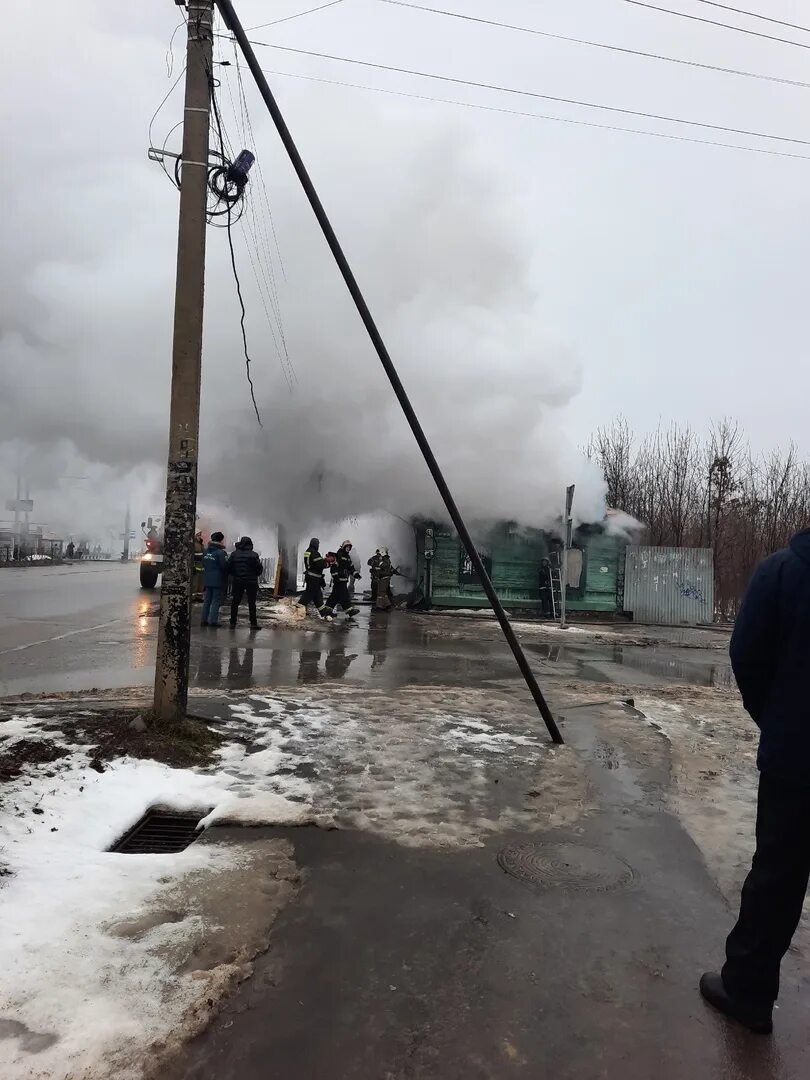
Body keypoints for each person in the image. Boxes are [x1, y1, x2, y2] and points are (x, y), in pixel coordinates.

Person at [700, 527, 810, 1036]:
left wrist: (779, 719)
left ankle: (747, 992)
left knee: (777, 878)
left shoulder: (783, 571)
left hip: (798, 759)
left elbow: (747, 656)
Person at [227, 536, 263, 628]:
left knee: (235, 601)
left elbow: (229, 567)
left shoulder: (234, 554)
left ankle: (233, 622)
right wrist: (255, 575)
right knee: (251, 602)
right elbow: (259, 568)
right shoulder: (254, 555)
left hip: (238, 581)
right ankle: (253, 623)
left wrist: (235, 574)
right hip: (251, 581)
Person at [321, 540, 361, 621]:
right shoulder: (339, 555)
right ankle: (350, 611)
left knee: (335, 596)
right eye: (347, 547)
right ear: (343, 547)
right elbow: (333, 566)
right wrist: (335, 576)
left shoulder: (347, 557)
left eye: (349, 547)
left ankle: (328, 611)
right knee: (344, 595)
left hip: (343, 579)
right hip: (338, 579)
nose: (348, 549)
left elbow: (351, 567)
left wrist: (355, 574)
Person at [201, 531, 228, 627]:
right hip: (218, 580)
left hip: (207, 579)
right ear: (221, 540)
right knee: (215, 601)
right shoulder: (221, 553)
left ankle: (204, 620)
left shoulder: (206, 551)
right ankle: (213, 621)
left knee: (207, 600)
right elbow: (224, 566)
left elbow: (203, 563)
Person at [299, 538, 329, 617]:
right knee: (308, 595)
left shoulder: (308, 551)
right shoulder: (314, 552)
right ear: (315, 544)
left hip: (312, 577)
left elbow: (315, 563)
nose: (318, 545)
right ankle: (297, 608)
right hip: (313, 578)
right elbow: (320, 564)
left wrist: (323, 560)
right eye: (318, 544)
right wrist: (328, 563)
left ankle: (324, 612)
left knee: (318, 596)